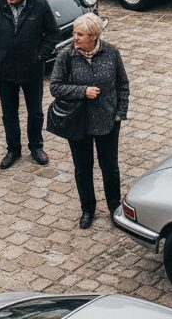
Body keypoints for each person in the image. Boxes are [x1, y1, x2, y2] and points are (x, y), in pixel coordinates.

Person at [50, 13, 130, 229]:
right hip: (79, 123)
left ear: (94, 36)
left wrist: (120, 113)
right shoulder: (66, 56)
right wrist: (82, 91)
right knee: (82, 167)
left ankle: (115, 207)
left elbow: (122, 84)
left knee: (110, 167)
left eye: (80, 34)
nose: (75, 38)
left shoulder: (111, 52)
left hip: (107, 121)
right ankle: (88, 209)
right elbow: (55, 87)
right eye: (75, 33)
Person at [0, 0, 61, 170]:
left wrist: (40, 56)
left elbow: (53, 33)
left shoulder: (39, 4)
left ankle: (36, 147)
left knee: (35, 112)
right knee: (9, 113)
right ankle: (13, 149)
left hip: (32, 70)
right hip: (5, 71)